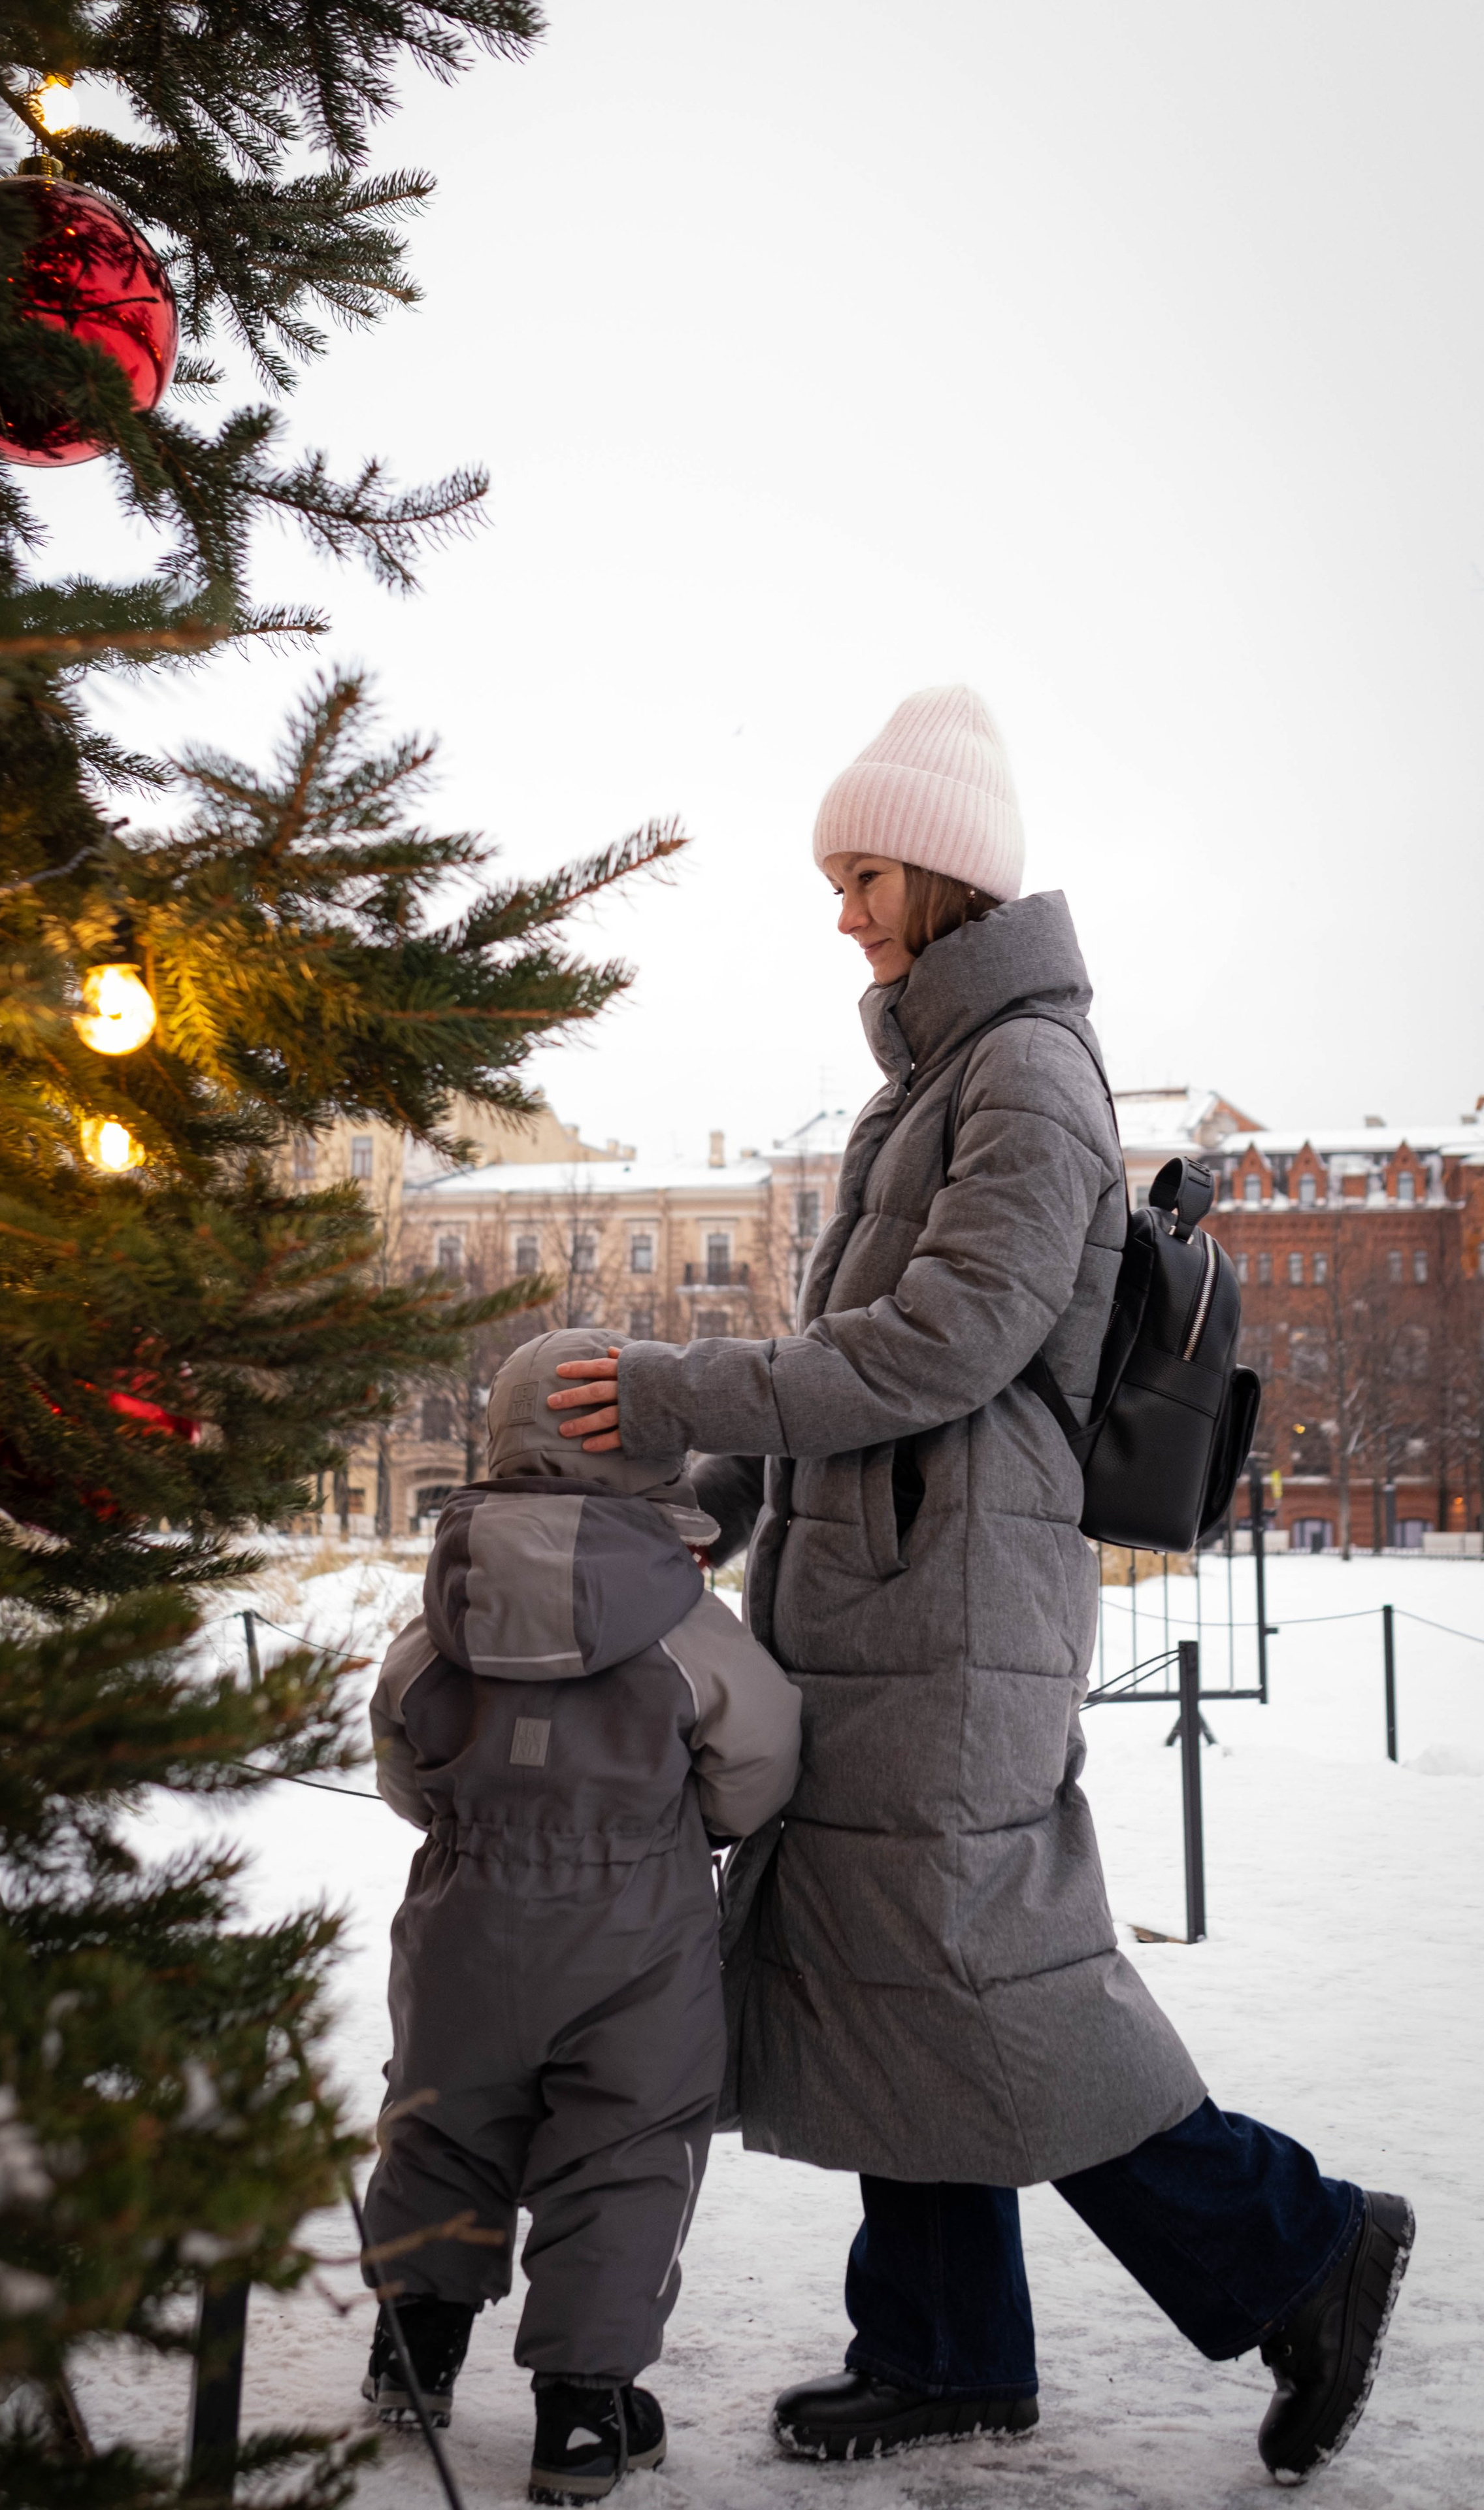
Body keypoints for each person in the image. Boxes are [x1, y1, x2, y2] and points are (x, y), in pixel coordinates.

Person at [546, 687, 1413, 2485]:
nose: (840, 909)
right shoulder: (938, 1076)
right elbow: (848, 1360)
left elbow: (940, 1347)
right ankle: (943, 2346)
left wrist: (672, 1387)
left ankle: (1302, 2246)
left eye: (858, 871)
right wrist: (711, 1492)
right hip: (884, 1604)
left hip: (955, 1620)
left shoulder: (1026, 1072)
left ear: (942, 872)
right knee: (888, 1973)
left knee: (983, 1973)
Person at [362, 1326, 802, 2504]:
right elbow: (757, 1761)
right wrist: (682, 1826)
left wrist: (471, 1821)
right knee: (623, 2151)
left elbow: (399, 1744)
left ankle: (414, 2351)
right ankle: (582, 2414)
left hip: (463, 1916)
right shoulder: (680, 1623)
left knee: (440, 2121)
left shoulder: (448, 1605)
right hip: (635, 1939)